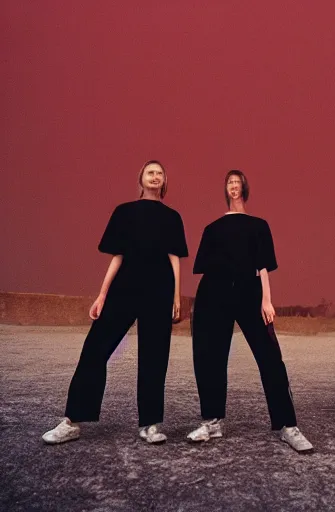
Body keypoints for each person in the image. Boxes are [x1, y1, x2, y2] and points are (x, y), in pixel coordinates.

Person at [42, 160, 188, 444]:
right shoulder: (124, 212)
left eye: (160, 173)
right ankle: (72, 421)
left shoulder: (172, 217)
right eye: (150, 172)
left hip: (159, 290)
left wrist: (176, 295)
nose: (155, 176)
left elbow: (175, 257)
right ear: (141, 178)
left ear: (165, 181)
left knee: (154, 357)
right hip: (125, 288)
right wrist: (102, 294)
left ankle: (150, 424)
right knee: (95, 348)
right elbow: (117, 256)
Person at [186, 170, 313, 453]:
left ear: (244, 188)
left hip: (250, 291)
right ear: (225, 190)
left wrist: (266, 300)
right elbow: (204, 269)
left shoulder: (259, 225)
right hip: (213, 293)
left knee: (270, 357)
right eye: (229, 182)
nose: (233, 185)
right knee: (210, 357)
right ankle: (212, 421)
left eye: (237, 181)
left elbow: (264, 265)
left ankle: (287, 425)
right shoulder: (212, 228)